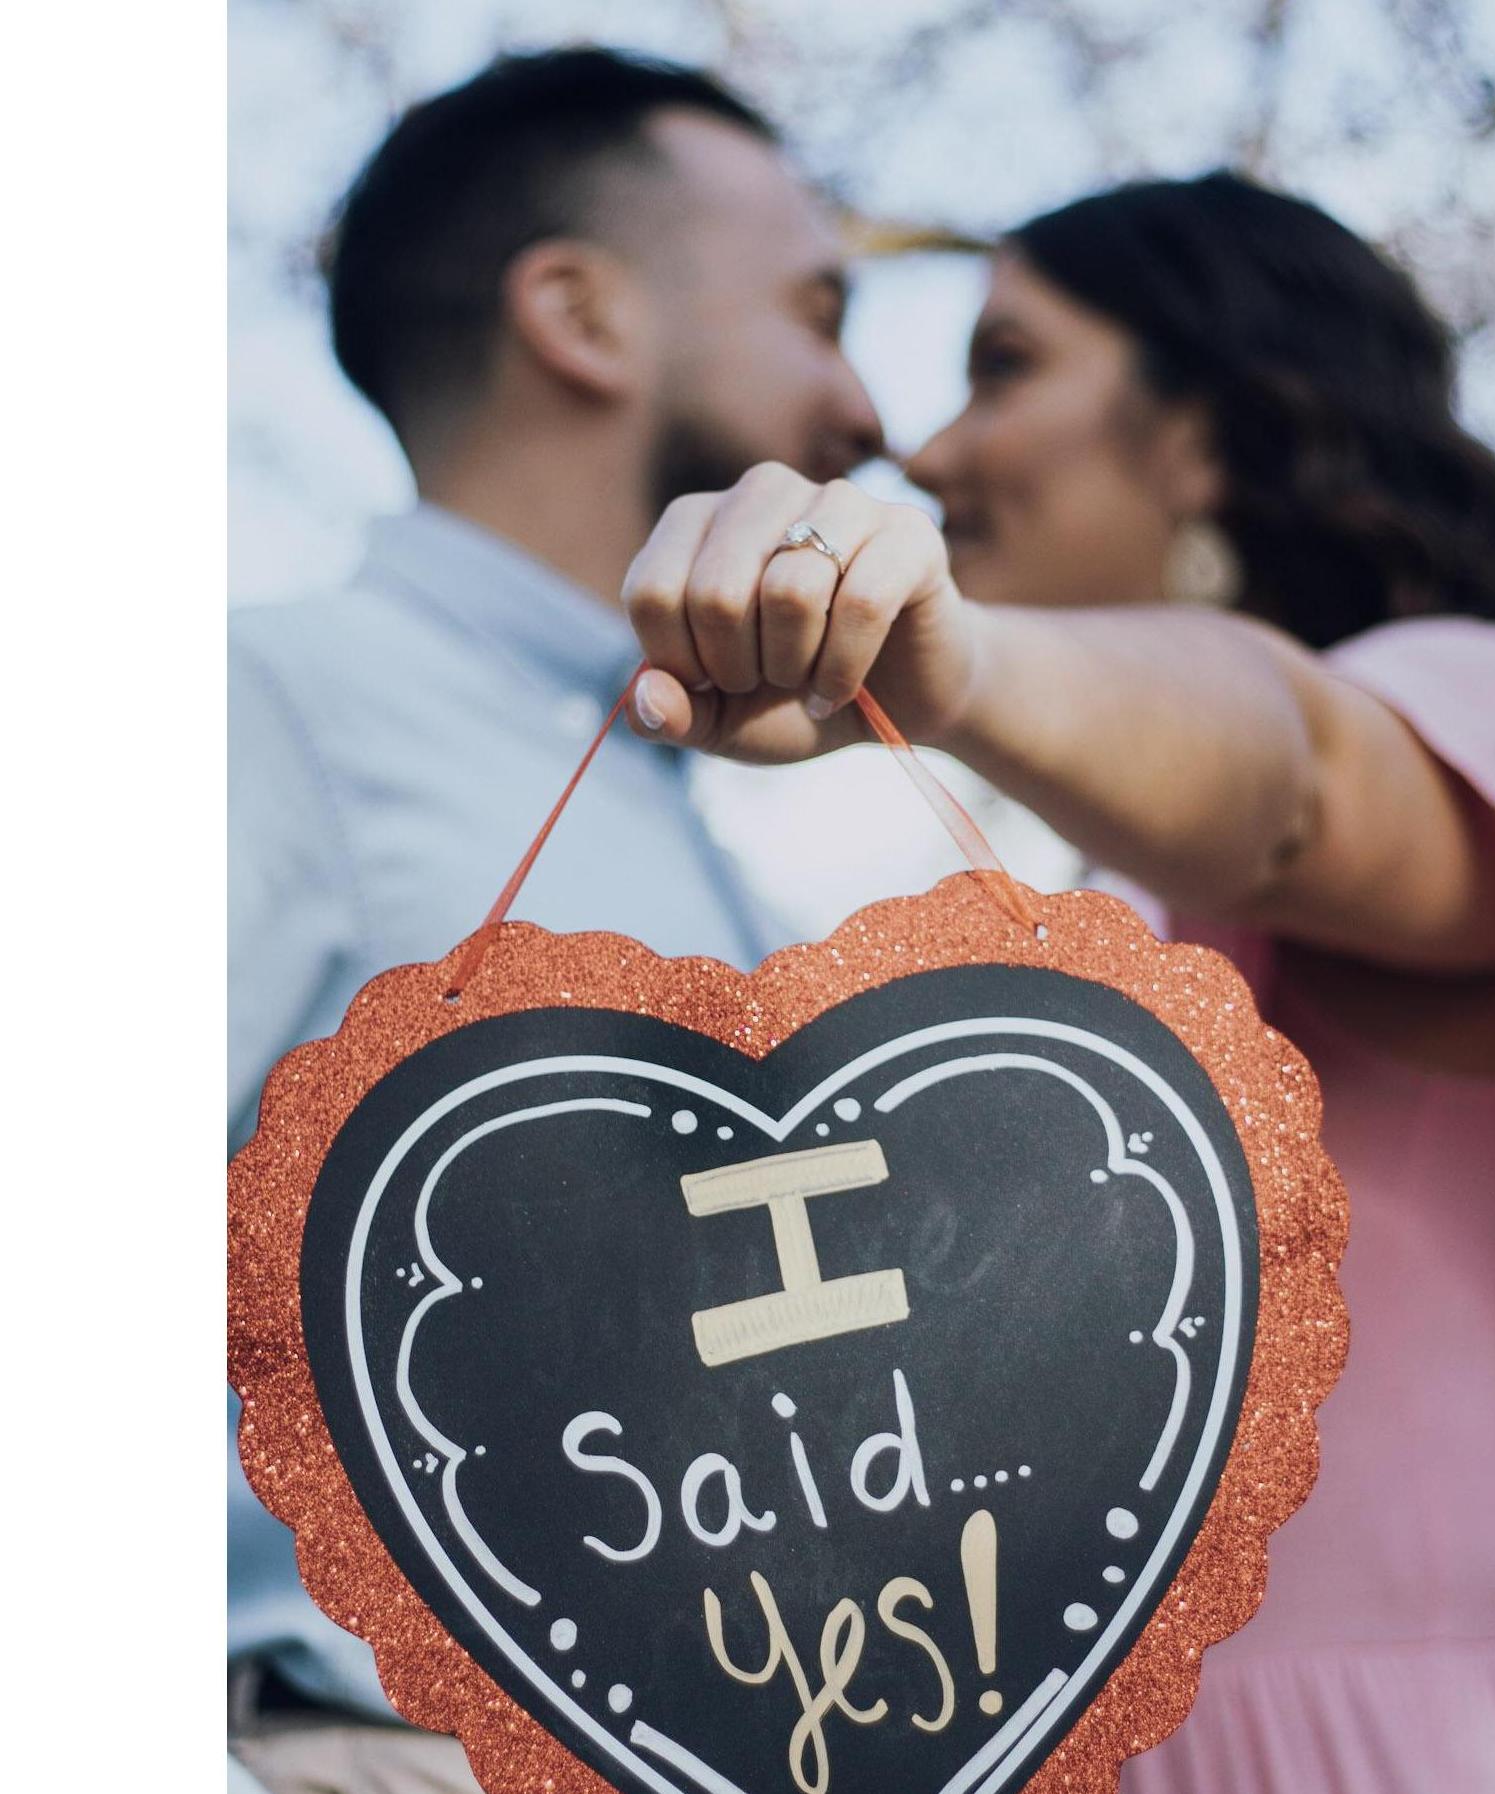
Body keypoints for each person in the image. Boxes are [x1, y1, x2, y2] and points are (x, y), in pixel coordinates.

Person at [618, 172, 1495, 1794]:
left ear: (1204, 434)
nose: (928, 453)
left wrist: (959, 665)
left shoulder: (1458, 709)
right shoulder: (1122, 902)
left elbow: (1290, 780)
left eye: (1003, 365)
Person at [228, 47, 883, 1793]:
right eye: (816, 313)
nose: (863, 406)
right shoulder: (257, 710)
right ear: (581, 316)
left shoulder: (694, 813)